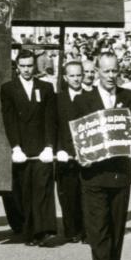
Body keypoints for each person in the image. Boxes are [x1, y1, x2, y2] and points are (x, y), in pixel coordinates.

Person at [73, 53, 131, 260]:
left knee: (116, 221)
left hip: (120, 171)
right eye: (106, 71)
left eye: (114, 71)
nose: (111, 76)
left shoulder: (130, 97)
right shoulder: (83, 100)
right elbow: (75, 134)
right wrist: (80, 155)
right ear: (96, 72)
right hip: (94, 172)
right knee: (97, 223)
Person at [0, 49, 57, 245]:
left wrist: (50, 146)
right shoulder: (8, 89)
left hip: (41, 146)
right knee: (25, 190)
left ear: (35, 66)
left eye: (29, 66)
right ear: (17, 67)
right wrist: (15, 146)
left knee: (43, 187)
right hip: (22, 147)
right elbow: (9, 120)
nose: (26, 70)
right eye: (22, 66)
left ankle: (44, 230)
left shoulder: (46, 88)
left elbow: (50, 119)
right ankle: (29, 231)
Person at [53, 59, 87, 243]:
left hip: (85, 154)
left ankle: (86, 230)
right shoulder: (58, 99)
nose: (76, 79)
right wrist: (58, 149)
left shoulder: (91, 97)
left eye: (79, 75)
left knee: (86, 194)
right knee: (67, 194)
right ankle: (72, 230)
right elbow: (54, 126)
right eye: (72, 76)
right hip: (64, 154)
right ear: (65, 78)